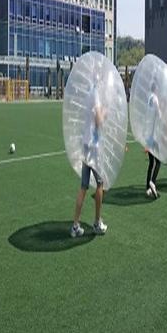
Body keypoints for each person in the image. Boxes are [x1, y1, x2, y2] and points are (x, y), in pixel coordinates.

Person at [70, 78, 108, 238]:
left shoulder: (88, 93)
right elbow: (99, 120)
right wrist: (105, 112)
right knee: (100, 184)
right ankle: (97, 222)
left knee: (84, 186)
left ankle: (75, 225)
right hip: (94, 146)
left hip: (86, 144)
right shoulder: (96, 93)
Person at [145, 81, 162, 198]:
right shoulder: (155, 99)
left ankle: (147, 187)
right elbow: (159, 116)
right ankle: (153, 182)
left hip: (148, 135)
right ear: (156, 89)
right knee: (158, 162)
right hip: (154, 135)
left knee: (151, 163)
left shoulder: (149, 99)